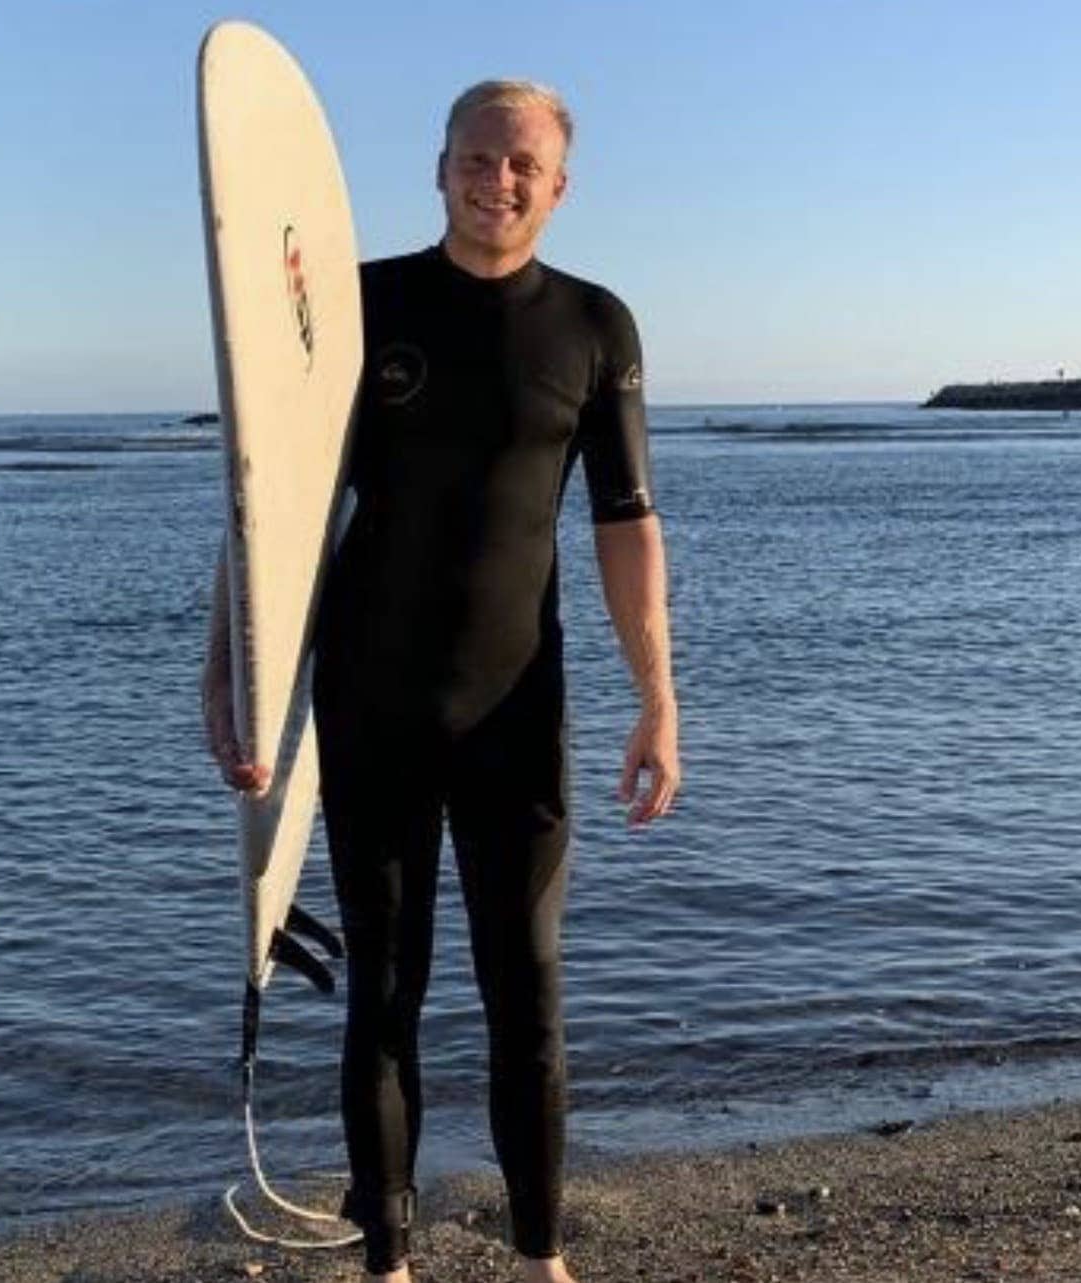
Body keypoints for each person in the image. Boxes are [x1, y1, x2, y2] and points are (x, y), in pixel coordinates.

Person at [203, 79, 679, 1283]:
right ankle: (390, 1263)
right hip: (376, 700)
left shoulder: (594, 326)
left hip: (518, 705)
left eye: (523, 164)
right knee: (386, 990)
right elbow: (272, 498)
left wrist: (657, 696)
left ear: (558, 185)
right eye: (478, 155)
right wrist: (233, 675)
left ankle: (541, 1256)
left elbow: (627, 522)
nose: (498, 178)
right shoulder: (363, 309)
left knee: (529, 993)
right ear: (440, 166)